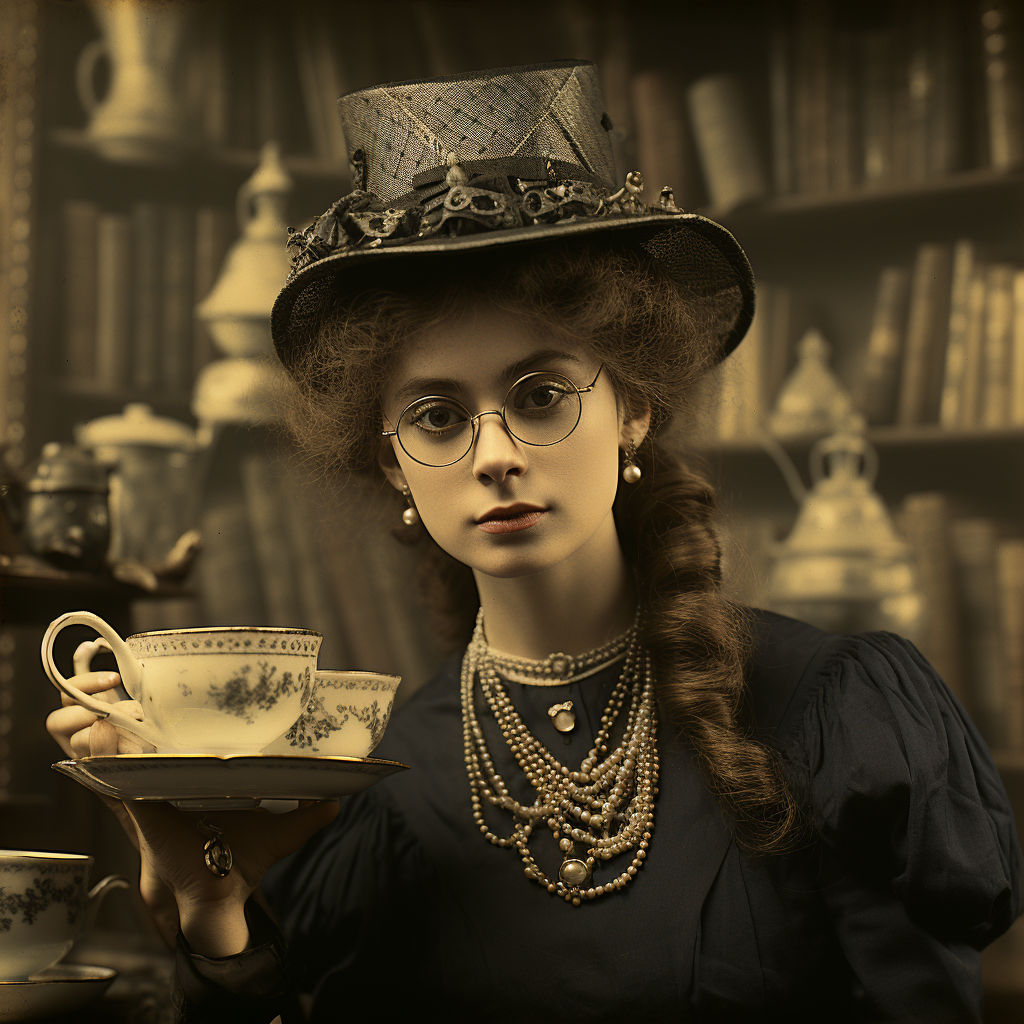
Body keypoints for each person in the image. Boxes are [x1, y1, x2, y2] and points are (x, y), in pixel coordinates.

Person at [47, 61, 1021, 1023]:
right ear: (388, 463)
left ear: (634, 407)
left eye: (541, 395)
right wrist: (213, 902)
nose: (496, 455)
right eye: (436, 417)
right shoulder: (377, 781)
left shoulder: (829, 712)